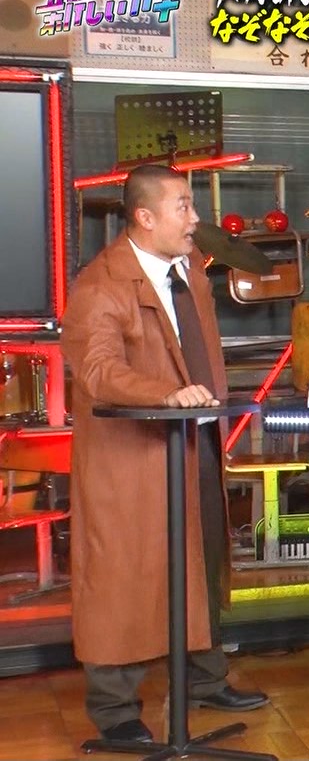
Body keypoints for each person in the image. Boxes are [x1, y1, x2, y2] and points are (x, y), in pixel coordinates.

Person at [60, 165, 268, 744]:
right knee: (122, 573)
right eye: (184, 207)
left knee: (201, 555)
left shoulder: (190, 269)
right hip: (130, 459)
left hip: (192, 442)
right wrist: (165, 394)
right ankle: (115, 710)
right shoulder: (101, 285)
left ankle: (202, 679)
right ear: (145, 217)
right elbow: (98, 370)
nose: (196, 218)